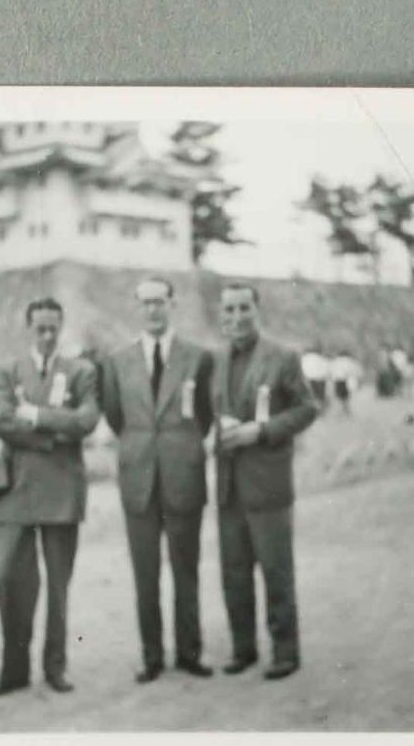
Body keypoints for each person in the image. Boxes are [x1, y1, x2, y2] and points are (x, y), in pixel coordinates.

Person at [0, 297, 100, 698]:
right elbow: (1, 421)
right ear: (28, 328)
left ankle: (55, 667)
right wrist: (53, 437)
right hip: (15, 489)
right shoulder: (8, 370)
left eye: (54, 328)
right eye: (40, 328)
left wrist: (33, 416)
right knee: (8, 579)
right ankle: (13, 670)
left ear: (61, 328)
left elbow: (86, 421)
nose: (47, 336)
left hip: (62, 493)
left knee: (58, 586)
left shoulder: (81, 371)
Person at [101, 277, 215, 683]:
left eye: (160, 302)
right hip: (139, 480)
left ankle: (189, 651)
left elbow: (205, 415)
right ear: (137, 307)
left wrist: (177, 447)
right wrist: (143, 448)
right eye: (145, 303)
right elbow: (116, 417)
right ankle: (151, 656)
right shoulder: (117, 361)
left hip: (183, 475)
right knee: (144, 573)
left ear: (173, 305)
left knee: (187, 569)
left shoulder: (198, 358)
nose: (153, 310)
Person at [211, 283, 318, 680]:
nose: (236, 317)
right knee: (234, 572)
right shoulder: (216, 359)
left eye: (243, 308)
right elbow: (211, 411)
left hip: (268, 482)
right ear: (220, 314)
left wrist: (263, 431)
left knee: (276, 571)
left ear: (257, 311)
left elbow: (307, 407)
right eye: (229, 309)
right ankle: (244, 649)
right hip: (228, 485)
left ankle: (285, 652)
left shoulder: (283, 357)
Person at [329, 349, 362, 414]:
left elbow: (331, 370)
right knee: (346, 396)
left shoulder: (335, 361)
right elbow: (354, 370)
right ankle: (346, 410)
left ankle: (342, 410)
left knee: (340, 396)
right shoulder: (350, 361)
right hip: (346, 380)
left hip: (338, 380)